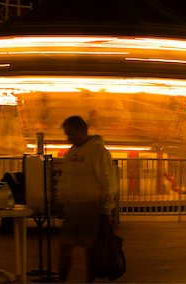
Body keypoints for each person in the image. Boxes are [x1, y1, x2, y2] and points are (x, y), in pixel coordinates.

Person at [57, 116, 116, 283]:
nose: (68, 138)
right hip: (73, 207)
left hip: (91, 207)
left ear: (81, 131)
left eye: (70, 134)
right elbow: (65, 176)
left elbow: (106, 180)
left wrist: (106, 209)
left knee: (90, 249)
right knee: (65, 247)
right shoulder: (72, 151)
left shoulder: (97, 151)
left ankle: (89, 280)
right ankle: (62, 280)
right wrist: (61, 199)